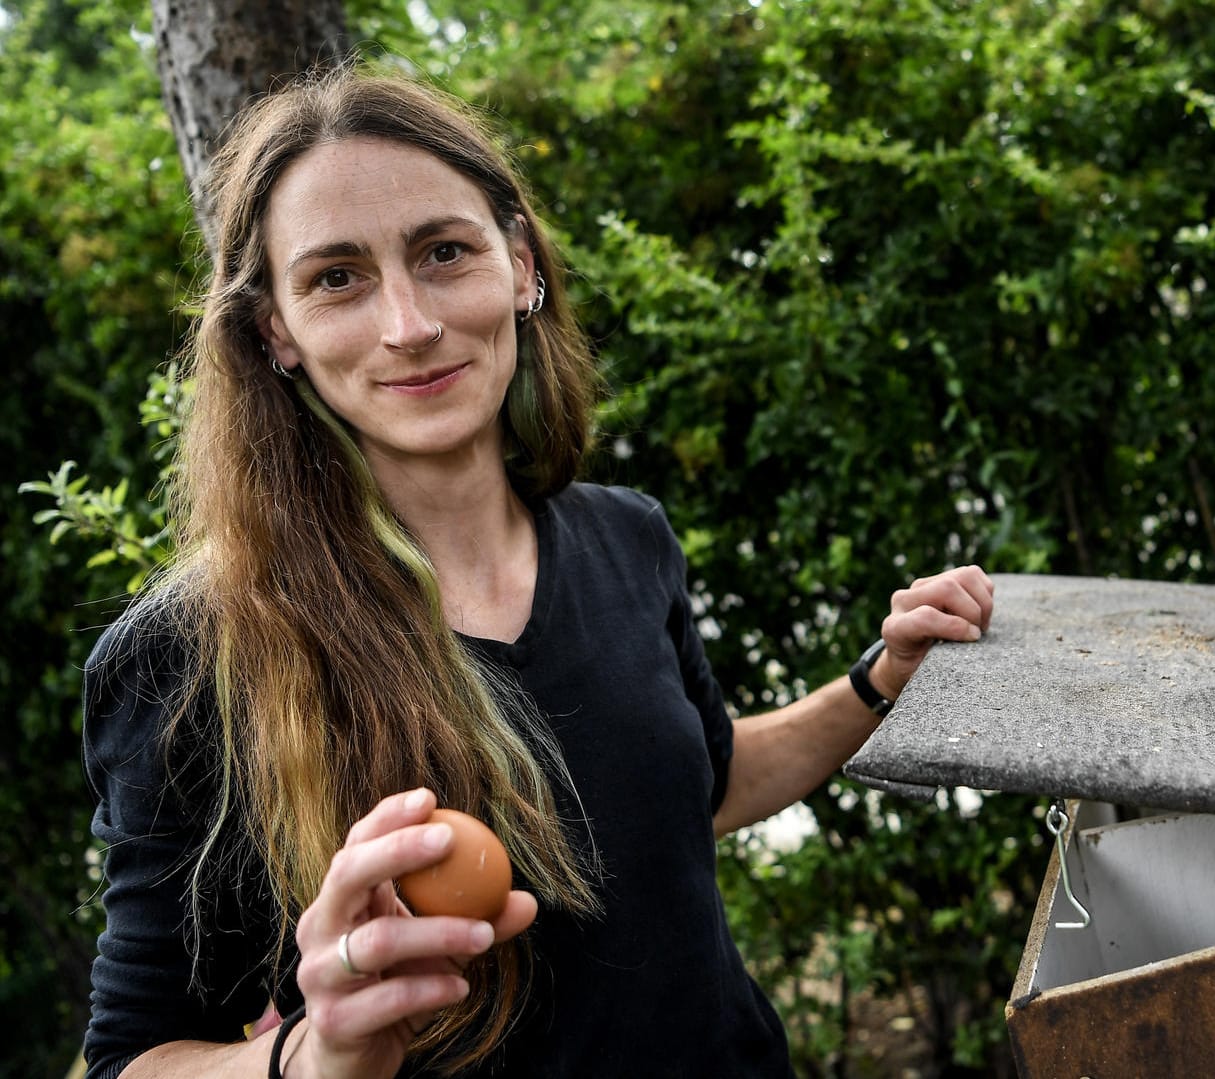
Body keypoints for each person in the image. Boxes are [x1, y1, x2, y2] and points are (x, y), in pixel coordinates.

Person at [81, 66, 993, 1079]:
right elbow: (132, 1055)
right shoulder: (190, 654)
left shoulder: (627, 536)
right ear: (276, 332)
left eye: (443, 252)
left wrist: (882, 680)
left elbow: (701, 781)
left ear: (520, 267)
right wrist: (312, 1052)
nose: (408, 323)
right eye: (336, 276)